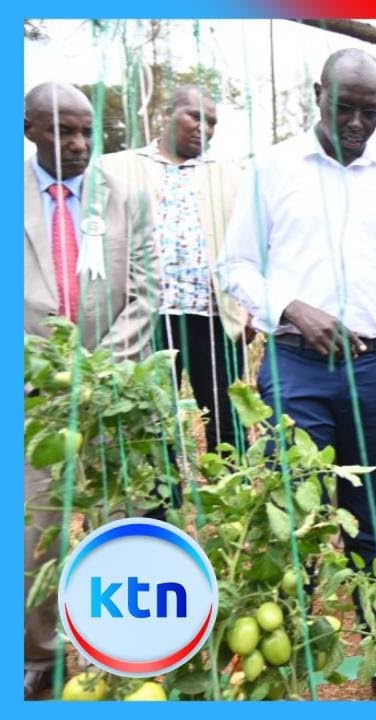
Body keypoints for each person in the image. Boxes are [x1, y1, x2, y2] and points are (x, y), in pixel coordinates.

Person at [221, 48, 376, 700]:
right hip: (295, 365)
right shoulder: (272, 169)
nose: (356, 123)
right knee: (293, 517)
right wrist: (292, 307)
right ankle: (280, 669)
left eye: (370, 112)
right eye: (344, 107)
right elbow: (237, 267)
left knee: (369, 520)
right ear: (315, 93)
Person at [23, 82, 156, 699]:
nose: (79, 145)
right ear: (29, 130)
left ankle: (122, 648)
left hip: (112, 395)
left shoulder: (121, 196)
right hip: (31, 401)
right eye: (62, 132)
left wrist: (102, 370)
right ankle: (41, 659)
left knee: (119, 522)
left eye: (87, 132)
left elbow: (145, 291)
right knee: (34, 533)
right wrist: (45, 367)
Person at [100, 85, 249, 453]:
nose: (205, 128)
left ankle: (232, 498)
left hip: (214, 318)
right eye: (194, 116)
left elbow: (254, 247)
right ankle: (160, 505)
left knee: (226, 417)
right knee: (150, 418)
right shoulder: (118, 168)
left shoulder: (233, 176)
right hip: (147, 317)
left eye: (212, 122)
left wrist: (250, 312)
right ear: (167, 113)